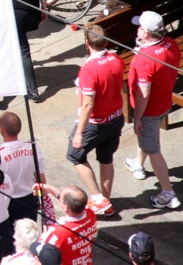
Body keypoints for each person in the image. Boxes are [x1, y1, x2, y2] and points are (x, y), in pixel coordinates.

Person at [123, 11, 181, 208]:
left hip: (150, 110)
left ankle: (168, 193)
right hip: (164, 102)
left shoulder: (143, 59)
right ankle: (138, 165)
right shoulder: (171, 44)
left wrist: (137, 117)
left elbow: (143, 93)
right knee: (148, 138)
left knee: (153, 149)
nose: (137, 29)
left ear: (146, 33)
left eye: (140, 27)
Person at [68, 23, 124, 216]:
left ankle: (98, 198)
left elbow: (88, 105)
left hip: (96, 123)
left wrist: (79, 133)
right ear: (105, 41)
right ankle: (106, 202)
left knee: (75, 155)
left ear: (86, 43)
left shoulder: (88, 70)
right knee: (106, 158)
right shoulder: (116, 59)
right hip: (116, 118)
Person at [0, 111, 47, 223]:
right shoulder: (33, 147)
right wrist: (40, 198)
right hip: (30, 198)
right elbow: (40, 179)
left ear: (2, 130)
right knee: (28, 233)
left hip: (9, 201)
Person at [35, 184, 96, 265]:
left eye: (60, 198)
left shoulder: (57, 232)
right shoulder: (91, 215)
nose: (59, 197)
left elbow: (42, 257)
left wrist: (43, 238)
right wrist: (50, 189)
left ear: (65, 207)